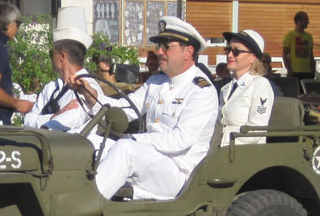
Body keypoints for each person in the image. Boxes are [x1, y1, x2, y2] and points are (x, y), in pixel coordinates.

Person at [75, 16, 218, 201]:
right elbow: (124, 109)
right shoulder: (156, 82)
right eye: (158, 46)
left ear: (188, 51)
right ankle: (58, 196)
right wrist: (91, 95)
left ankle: (83, 207)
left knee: (126, 149)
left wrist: (135, 139)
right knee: (86, 141)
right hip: (150, 161)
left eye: (166, 46)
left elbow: (181, 140)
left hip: (179, 174)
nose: (159, 51)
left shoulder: (201, 90)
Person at [24, 6, 103, 131]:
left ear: (62, 56)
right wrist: (55, 115)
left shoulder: (88, 88)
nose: (50, 58)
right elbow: (28, 120)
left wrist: (43, 120)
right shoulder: (50, 88)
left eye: (52, 53)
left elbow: (71, 119)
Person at [219, 30, 275, 146]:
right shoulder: (225, 89)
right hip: (222, 150)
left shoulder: (260, 85)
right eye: (228, 50)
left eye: (236, 51)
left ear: (252, 57)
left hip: (246, 152)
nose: (229, 55)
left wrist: (218, 139)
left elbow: (255, 131)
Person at [282, 10, 315, 80]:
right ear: (298, 21)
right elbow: (284, 55)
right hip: (295, 72)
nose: (308, 22)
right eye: (306, 19)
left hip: (308, 72)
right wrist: (289, 70)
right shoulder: (289, 36)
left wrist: (313, 70)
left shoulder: (309, 37)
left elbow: (311, 56)